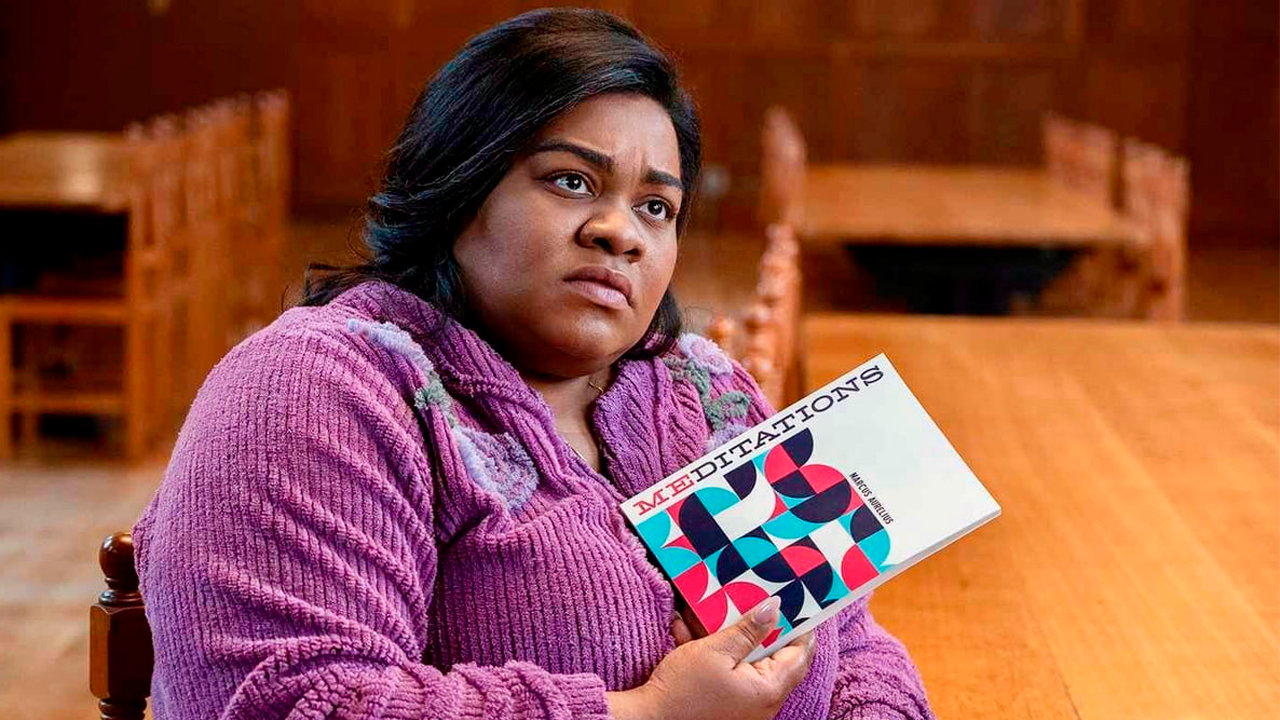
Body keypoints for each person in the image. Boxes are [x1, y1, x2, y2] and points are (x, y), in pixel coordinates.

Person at [134, 8, 935, 719]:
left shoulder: (705, 392)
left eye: (656, 206)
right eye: (571, 180)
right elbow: (294, 700)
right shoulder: (321, 387)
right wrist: (646, 716)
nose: (620, 231)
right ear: (458, 186)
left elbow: (855, 647)